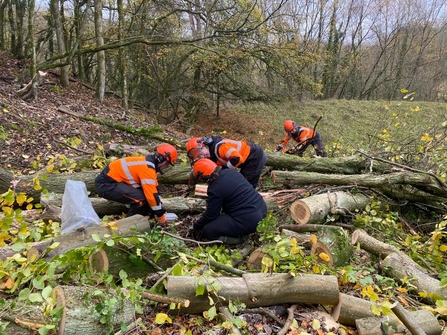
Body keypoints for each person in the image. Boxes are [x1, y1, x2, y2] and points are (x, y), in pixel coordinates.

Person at [95, 143, 178, 225]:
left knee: (144, 197)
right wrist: (160, 215)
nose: (166, 167)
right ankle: (129, 226)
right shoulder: (147, 168)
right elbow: (151, 196)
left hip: (115, 182)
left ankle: (144, 218)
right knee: (140, 199)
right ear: (161, 159)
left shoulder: (149, 164)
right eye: (167, 164)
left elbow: (154, 190)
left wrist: (159, 206)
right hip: (107, 184)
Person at [189, 158, 267, 245]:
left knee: (208, 230)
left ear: (203, 176)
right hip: (262, 209)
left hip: (249, 220)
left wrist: (196, 226)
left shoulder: (215, 188)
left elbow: (211, 215)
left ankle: (238, 240)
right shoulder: (231, 172)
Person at [186, 136, 267, 188]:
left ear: (205, 145)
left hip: (255, 156)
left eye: (201, 153)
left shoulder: (220, 147)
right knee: (239, 182)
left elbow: (237, 158)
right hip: (247, 160)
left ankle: (250, 203)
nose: (203, 156)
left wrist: (225, 169)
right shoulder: (212, 155)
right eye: (199, 156)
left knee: (247, 185)